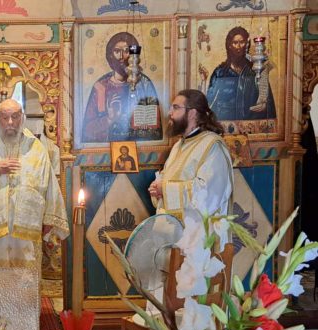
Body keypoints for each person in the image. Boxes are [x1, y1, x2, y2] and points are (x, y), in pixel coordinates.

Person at [0, 99, 69, 270]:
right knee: (1, 269)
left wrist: (49, 216)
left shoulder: (35, 147)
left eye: (15, 117)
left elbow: (49, 182)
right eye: (5, 118)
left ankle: (26, 290)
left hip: (29, 221)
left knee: (27, 271)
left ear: (22, 117)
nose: (10, 122)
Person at [148, 89, 233, 220]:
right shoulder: (178, 145)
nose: (170, 113)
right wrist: (157, 188)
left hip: (199, 230)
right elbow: (166, 178)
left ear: (192, 113)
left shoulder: (212, 146)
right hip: (176, 228)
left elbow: (209, 193)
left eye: (176, 107)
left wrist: (165, 189)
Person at [82, 32, 162, 143]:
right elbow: (88, 132)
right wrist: (110, 119)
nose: (121, 57)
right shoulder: (101, 87)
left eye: (126, 51)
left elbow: (155, 130)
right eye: (117, 51)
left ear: (134, 55)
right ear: (110, 55)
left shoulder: (144, 84)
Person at [206, 26, 276, 121]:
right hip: (226, 123)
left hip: (251, 123)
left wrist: (264, 106)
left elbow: (268, 102)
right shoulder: (220, 72)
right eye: (235, 43)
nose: (238, 46)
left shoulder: (256, 70)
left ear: (246, 44)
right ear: (229, 45)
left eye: (242, 42)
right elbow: (209, 102)